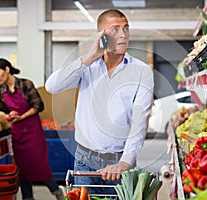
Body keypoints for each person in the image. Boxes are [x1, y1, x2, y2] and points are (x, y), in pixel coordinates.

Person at [45, 9, 154, 194]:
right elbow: (52, 86)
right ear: (101, 35)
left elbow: (139, 121)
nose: (122, 35)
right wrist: (89, 56)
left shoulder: (141, 71)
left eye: (126, 28)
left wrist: (125, 162)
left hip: (119, 161)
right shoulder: (87, 68)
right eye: (115, 29)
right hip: (84, 160)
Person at [0, 58, 64, 200]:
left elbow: (39, 106)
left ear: (7, 69)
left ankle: (57, 192)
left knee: (39, 165)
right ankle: (28, 198)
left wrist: (22, 116)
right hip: (18, 134)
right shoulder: (3, 92)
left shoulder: (25, 84)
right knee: (23, 169)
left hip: (33, 131)